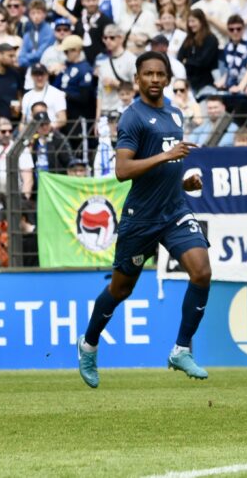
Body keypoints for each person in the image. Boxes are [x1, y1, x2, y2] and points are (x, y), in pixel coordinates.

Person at [77, 51, 211, 388]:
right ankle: (89, 344)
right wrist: (166, 155)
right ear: (137, 79)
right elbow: (123, 170)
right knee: (121, 289)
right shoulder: (132, 118)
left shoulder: (175, 113)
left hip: (174, 210)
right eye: (148, 74)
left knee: (202, 271)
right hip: (142, 218)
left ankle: (181, 350)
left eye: (159, 74)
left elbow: (167, 167)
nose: (154, 79)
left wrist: (183, 183)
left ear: (167, 78)